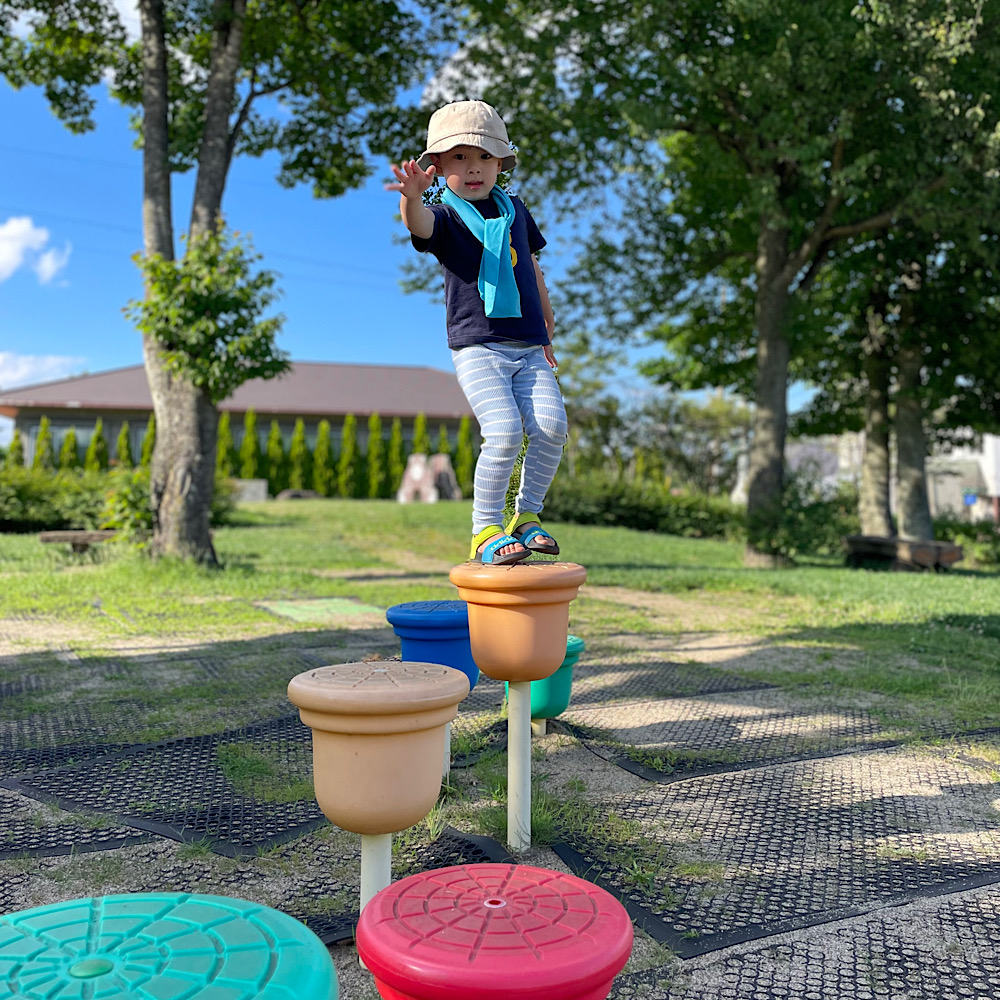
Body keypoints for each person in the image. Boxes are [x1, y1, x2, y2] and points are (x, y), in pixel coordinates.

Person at [386, 100, 567, 565]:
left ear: (500, 165)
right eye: (460, 157)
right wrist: (412, 195)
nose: (474, 168)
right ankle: (485, 530)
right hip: (478, 346)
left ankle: (526, 518)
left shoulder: (515, 212)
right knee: (504, 431)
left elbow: (531, 266)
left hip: (529, 347)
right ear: (439, 165)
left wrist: (547, 323)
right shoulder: (443, 215)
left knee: (551, 427)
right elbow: (419, 225)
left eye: (485, 157)